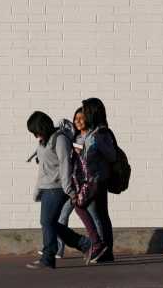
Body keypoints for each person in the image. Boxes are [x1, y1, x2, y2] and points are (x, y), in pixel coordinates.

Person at [26, 111, 89, 270]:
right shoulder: (43, 142)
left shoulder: (59, 139)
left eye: (36, 131)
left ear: (43, 126)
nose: (35, 136)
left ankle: (48, 258)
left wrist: (69, 189)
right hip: (47, 188)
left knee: (47, 222)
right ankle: (84, 243)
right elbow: (43, 168)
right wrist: (37, 189)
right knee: (51, 223)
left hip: (58, 188)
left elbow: (65, 165)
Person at [58, 98, 116, 263]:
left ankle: (100, 246)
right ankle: (105, 251)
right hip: (85, 181)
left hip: (95, 181)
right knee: (99, 215)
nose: (78, 120)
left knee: (92, 212)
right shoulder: (80, 136)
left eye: (83, 113)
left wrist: (96, 147)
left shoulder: (100, 133)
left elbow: (111, 156)